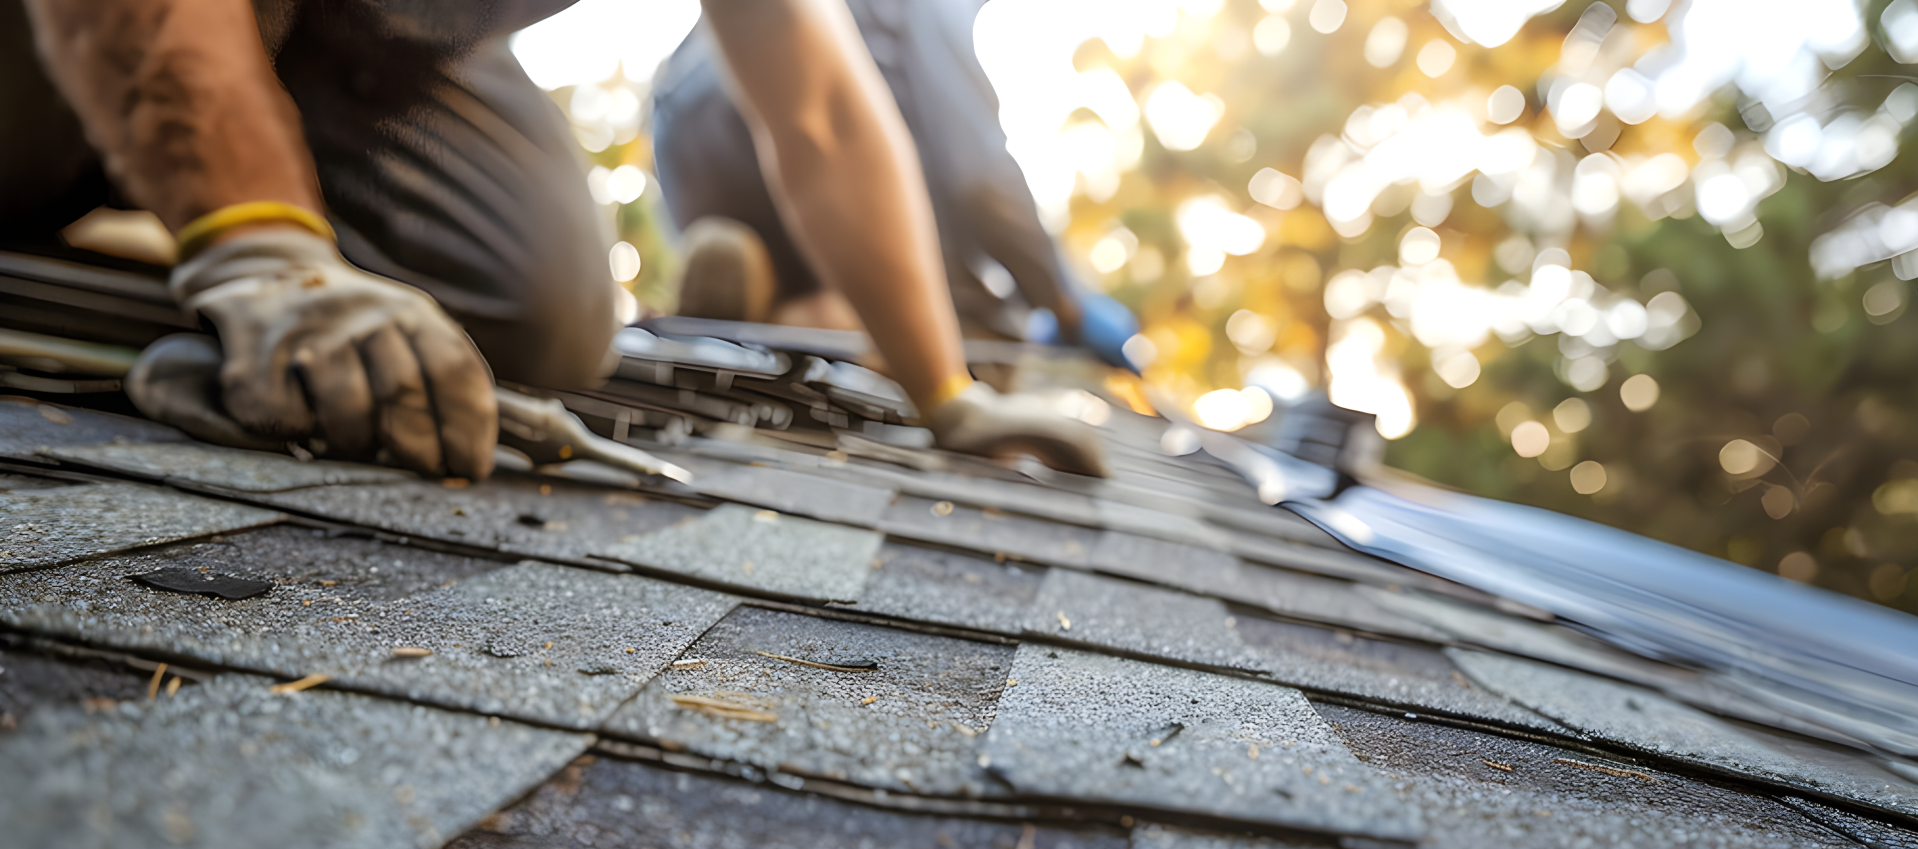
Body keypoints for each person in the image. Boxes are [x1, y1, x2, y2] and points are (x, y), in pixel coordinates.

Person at [5, 0, 1109, 478]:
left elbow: (821, 110)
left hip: (375, 46)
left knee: (539, 315)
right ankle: (189, 213)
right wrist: (261, 248)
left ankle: (179, 222)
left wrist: (946, 393)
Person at [651, 0, 1141, 369]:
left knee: (771, 234)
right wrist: (1062, 298)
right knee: (993, 336)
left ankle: (784, 298)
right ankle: (861, 320)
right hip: (827, 175)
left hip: (700, 150)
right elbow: (978, 176)